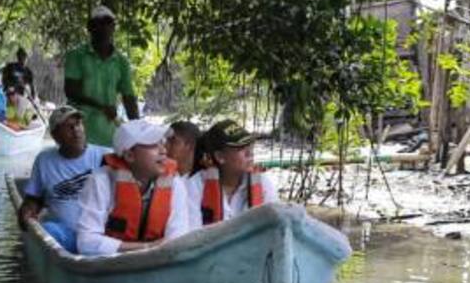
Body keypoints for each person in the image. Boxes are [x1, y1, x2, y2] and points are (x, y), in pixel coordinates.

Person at [75, 118, 189, 255]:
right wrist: (148, 247)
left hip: (156, 263)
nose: (163, 150)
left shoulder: (174, 183)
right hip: (110, 265)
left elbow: (178, 238)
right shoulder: (101, 181)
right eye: (153, 144)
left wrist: (153, 248)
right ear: (129, 155)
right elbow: (86, 243)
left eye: (162, 142)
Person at [18, 107, 110, 253]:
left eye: (78, 124)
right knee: (47, 230)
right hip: (67, 237)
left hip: (103, 234)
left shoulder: (106, 156)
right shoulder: (44, 160)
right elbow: (34, 199)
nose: (76, 130)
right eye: (69, 127)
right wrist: (27, 211)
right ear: (55, 135)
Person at [63, 5, 138, 148]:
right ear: (90, 28)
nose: (103, 27)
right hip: (78, 135)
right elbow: (71, 91)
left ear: (113, 27)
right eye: (98, 22)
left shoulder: (121, 62)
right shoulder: (76, 56)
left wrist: (138, 128)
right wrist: (101, 106)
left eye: (107, 22)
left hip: (108, 137)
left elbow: (129, 98)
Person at [187, 119, 278, 226]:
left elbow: (274, 226)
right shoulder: (195, 185)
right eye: (240, 148)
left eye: (249, 146)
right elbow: (191, 235)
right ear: (220, 157)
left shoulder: (263, 183)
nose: (249, 153)